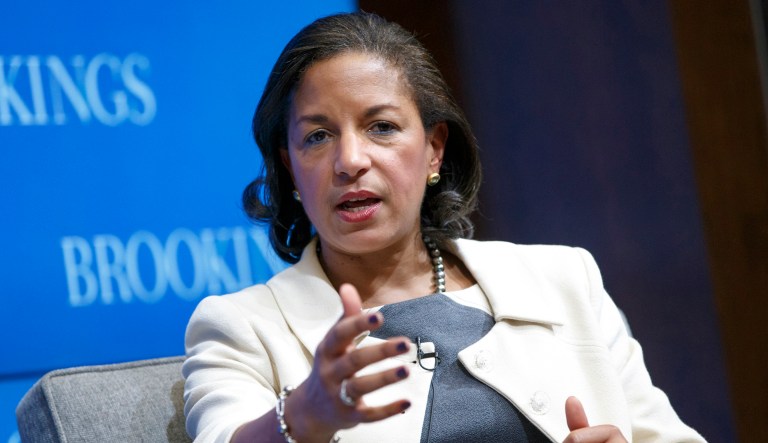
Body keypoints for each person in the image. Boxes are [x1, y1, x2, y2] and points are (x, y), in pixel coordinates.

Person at [182, 12, 705, 443]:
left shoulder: (564, 279)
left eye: (380, 127)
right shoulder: (239, 327)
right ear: (290, 167)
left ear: (434, 149)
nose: (349, 160)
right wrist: (303, 416)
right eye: (317, 137)